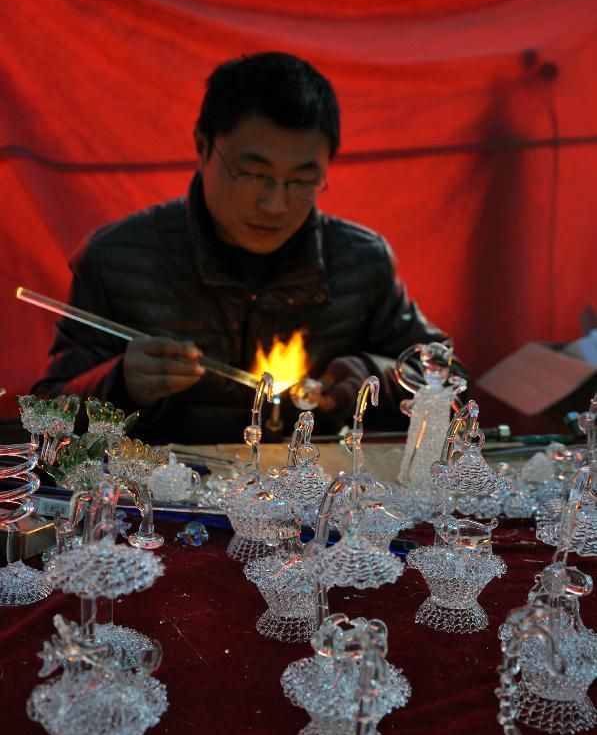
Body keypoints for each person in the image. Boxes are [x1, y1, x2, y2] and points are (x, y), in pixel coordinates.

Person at [32, 52, 454, 444]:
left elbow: (448, 386)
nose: (275, 204)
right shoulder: (117, 260)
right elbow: (47, 423)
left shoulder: (360, 262)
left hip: (315, 509)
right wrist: (121, 384)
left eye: (302, 181)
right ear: (203, 147)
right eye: (252, 175)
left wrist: (368, 378)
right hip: (161, 511)